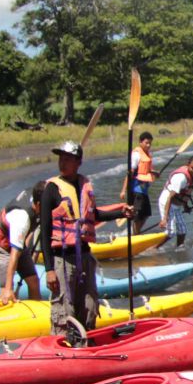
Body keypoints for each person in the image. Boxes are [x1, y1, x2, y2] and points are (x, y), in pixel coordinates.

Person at [38, 140, 129, 346]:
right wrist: (49, 269)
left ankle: (85, 346)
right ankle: (61, 349)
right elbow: (45, 231)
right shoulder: (51, 189)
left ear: (78, 162)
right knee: (64, 309)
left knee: (89, 306)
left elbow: (93, 215)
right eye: (61, 158)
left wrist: (121, 212)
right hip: (62, 259)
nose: (62, 163)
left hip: (85, 256)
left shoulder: (85, 185)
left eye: (68, 159)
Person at [0, 185, 44, 305]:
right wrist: (9, 289)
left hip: (18, 242)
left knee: (34, 281)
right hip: (2, 245)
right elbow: (14, 255)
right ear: (39, 205)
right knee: (6, 292)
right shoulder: (22, 219)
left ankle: (34, 315)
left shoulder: (40, 193)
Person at [157, 154, 193, 248]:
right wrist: (164, 218)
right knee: (171, 232)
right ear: (188, 165)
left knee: (182, 230)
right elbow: (170, 197)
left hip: (176, 205)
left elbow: (186, 194)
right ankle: (153, 248)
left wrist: (186, 206)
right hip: (167, 201)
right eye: (192, 168)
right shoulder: (181, 178)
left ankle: (179, 249)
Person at [123, 131, 157, 232]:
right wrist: (123, 190)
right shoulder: (136, 155)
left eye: (150, 143)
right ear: (140, 142)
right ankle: (135, 234)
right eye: (146, 143)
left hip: (143, 190)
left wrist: (155, 173)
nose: (148, 145)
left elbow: (146, 170)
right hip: (136, 190)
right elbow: (130, 173)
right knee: (137, 215)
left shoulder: (147, 155)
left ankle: (136, 232)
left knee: (146, 214)